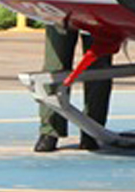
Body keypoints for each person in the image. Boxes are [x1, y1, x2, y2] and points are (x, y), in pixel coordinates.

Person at [33, 24, 113, 152]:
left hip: (97, 16)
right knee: (54, 67)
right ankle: (50, 130)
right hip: (61, 12)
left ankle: (92, 131)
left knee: (98, 69)